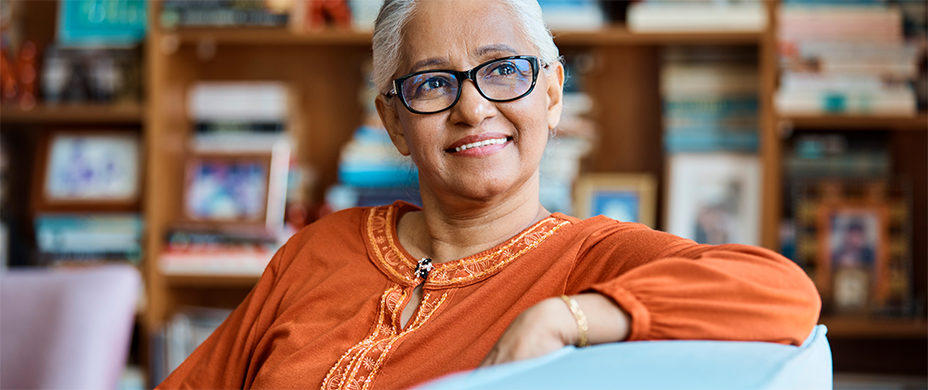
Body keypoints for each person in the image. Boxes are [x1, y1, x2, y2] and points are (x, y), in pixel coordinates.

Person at [157, 0, 821, 389]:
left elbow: (781, 292)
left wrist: (567, 319)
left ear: (553, 94)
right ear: (392, 121)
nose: (474, 109)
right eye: (433, 83)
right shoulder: (317, 250)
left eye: (504, 70)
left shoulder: (594, 257)